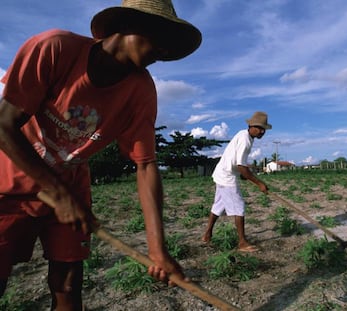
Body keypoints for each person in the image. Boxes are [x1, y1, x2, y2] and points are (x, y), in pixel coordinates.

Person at [0, 0, 201, 309]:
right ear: (128, 25)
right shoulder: (55, 48)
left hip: (70, 187)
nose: (163, 51)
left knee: (68, 283)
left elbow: (146, 165)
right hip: (10, 182)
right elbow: (4, 125)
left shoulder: (141, 91)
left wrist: (157, 249)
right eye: (160, 37)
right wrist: (55, 191)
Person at [202, 111, 271, 252]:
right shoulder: (245, 140)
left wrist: (244, 174)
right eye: (259, 128)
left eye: (263, 129)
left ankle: (207, 235)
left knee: (218, 206)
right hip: (227, 176)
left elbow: (239, 164)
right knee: (239, 207)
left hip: (222, 173)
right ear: (251, 126)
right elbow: (241, 166)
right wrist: (259, 183)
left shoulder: (244, 135)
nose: (262, 132)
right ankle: (242, 243)